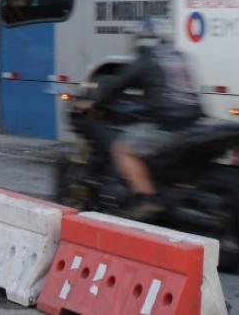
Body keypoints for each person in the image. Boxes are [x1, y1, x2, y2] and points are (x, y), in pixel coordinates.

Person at [81, 17, 202, 221]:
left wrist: (91, 102)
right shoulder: (179, 56)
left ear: (141, 38)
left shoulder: (147, 59)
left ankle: (147, 198)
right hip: (192, 117)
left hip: (169, 123)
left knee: (123, 149)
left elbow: (117, 84)